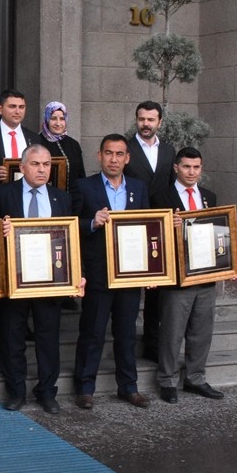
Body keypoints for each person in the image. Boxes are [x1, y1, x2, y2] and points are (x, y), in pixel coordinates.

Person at [0, 144, 82, 414]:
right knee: (13, 337)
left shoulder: (61, 198)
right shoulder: (3, 195)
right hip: (14, 280)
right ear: (22, 168)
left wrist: (76, 275)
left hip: (49, 280)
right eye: (35, 164)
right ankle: (16, 391)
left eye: (46, 164)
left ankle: (47, 392)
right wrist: (1, 230)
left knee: (48, 338)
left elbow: (69, 241)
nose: (42, 169)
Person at [73, 134, 152, 411]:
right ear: (99, 156)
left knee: (126, 333)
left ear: (127, 158)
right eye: (109, 153)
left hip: (130, 275)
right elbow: (72, 225)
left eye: (119, 154)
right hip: (98, 273)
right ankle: (85, 388)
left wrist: (151, 271)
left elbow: (147, 228)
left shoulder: (139, 189)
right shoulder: (84, 186)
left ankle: (128, 387)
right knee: (92, 332)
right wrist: (92, 222)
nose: (114, 159)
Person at [153, 147, 236, 403]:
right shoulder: (160, 196)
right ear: (176, 167)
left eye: (196, 167)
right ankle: (167, 380)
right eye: (186, 166)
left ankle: (195, 378)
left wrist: (228, 264)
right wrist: (169, 224)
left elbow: (218, 233)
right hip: (178, 278)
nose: (191, 172)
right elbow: (152, 236)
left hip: (205, 275)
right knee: (172, 331)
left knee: (202, 331)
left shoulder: (209, 196)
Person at [126, 100, 176, 361]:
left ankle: (151, 343)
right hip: (132, 228)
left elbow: (170, 186)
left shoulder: (168, 150)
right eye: (142, 119)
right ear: (136, 119)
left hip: (160, 228)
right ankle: (124, 342)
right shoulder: (126, 149)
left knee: (156, 291)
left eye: (151, 120)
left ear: (159, 122)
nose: (146, 124)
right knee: (130, 290)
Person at [35, 100, 86, 213]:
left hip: (73, 202)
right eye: (53, 118)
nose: (58, 123)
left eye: (62, 119)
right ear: (47, 119)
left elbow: (81, 176)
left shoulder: (73, 144)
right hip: (47, 202)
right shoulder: (37, 142)